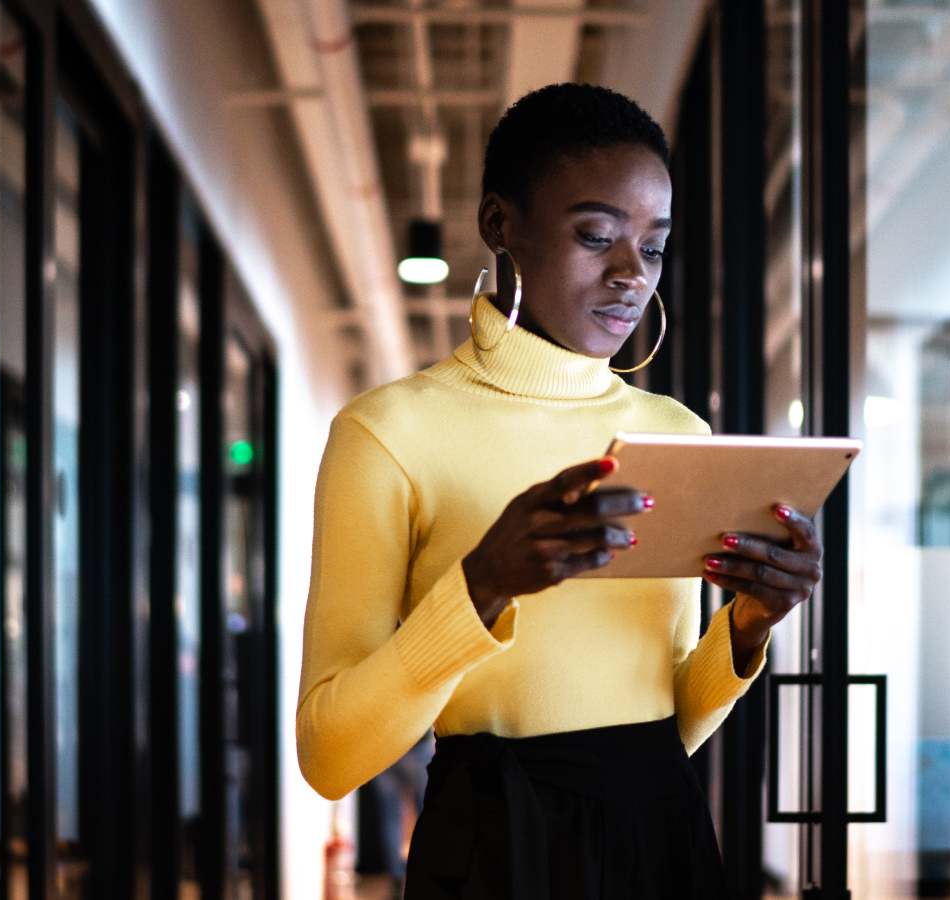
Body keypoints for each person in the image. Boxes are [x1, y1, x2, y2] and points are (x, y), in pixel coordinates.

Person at [296, 82, 824, 899]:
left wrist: (749, 627)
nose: (630, 275)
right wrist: (481, 587)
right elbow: (330, 758)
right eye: (596, 235)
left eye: (652, 247)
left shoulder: (676, 435)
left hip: (663, 837)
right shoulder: (386, 433)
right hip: (494, 847)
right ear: (500, 225)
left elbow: (670, 725)